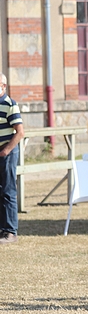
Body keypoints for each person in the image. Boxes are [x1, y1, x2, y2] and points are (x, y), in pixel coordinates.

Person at [0, 73, 23, 245]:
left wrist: (6, 150)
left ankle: (10, 231)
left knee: (8, 191)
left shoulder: (10, 104)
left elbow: (20, 132)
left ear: (3, 86)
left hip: (6, 152)